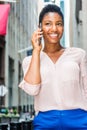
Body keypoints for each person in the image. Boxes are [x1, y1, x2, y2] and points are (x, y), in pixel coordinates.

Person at [19, 4, 87, 130]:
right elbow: (32, 89)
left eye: (59, 23)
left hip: (79, 119)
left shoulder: (79, 55)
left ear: (63, 26)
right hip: (45, 121)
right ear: (40, 27)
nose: (54, 29)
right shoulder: (30, 60)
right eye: (48, 23)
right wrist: (36, 51)